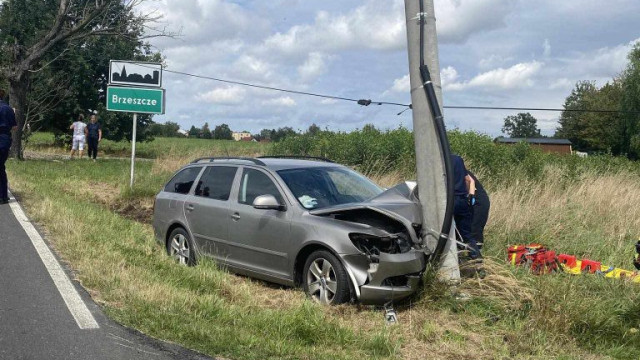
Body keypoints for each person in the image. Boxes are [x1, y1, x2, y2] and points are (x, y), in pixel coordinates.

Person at [451, 154, 482, 260]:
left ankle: (454, 259)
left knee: (446, 232)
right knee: (466, 234)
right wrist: (469, 196)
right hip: (462, 200)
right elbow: (468, 180)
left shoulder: (438, 159)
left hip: (448, 200)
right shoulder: (457, 159)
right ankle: (476, 259)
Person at [0, 89, 17, 204]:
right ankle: (3, 196)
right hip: (4, 139)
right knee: (1, 166)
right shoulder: (8, 108)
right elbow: (14, 127)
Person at [468, 171, 490, 249]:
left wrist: (471, 197)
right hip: (473, 200)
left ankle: (476, 255)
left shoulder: (455, 165)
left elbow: (471, 181)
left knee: (475, 229)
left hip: (478, 201)